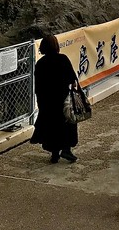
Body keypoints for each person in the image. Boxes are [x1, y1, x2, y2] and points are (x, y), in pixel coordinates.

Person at [30, 34, 80, 163]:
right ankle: (66, 149)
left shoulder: (40, 64)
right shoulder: (62, 59)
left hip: (47, 100)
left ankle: (54, 154)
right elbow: (72, 79)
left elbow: (38, 84)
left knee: (51, 126)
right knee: (67, 124)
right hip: (62, 98)